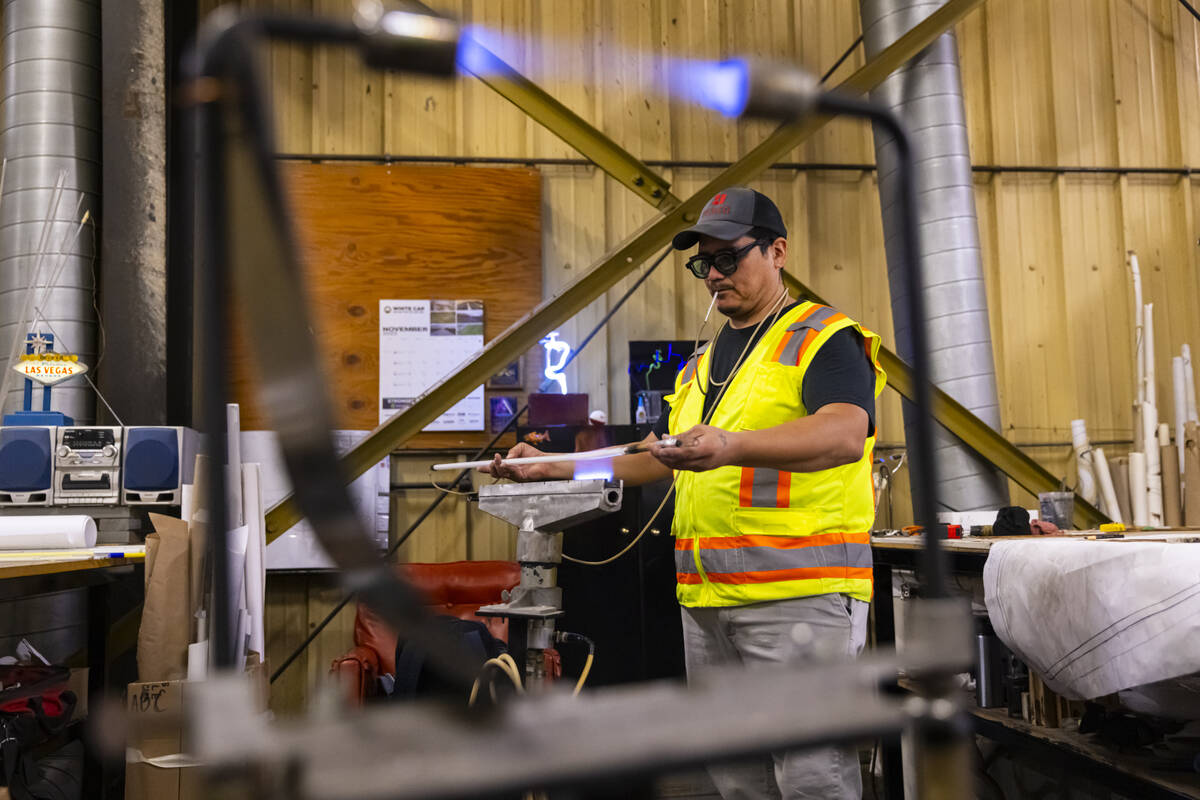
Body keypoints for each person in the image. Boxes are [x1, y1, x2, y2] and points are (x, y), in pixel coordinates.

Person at [482, 187, 885, 800]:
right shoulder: (700, 364)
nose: (714, 275)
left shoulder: (823, 336)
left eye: (729, 258)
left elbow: (845, 433)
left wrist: (732, 445)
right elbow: (654, 460)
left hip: (798, 598)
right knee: (736, 777)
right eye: (704, 264)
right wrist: (553, 467)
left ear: (777, 252)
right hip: (707, 604)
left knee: (810, 777)